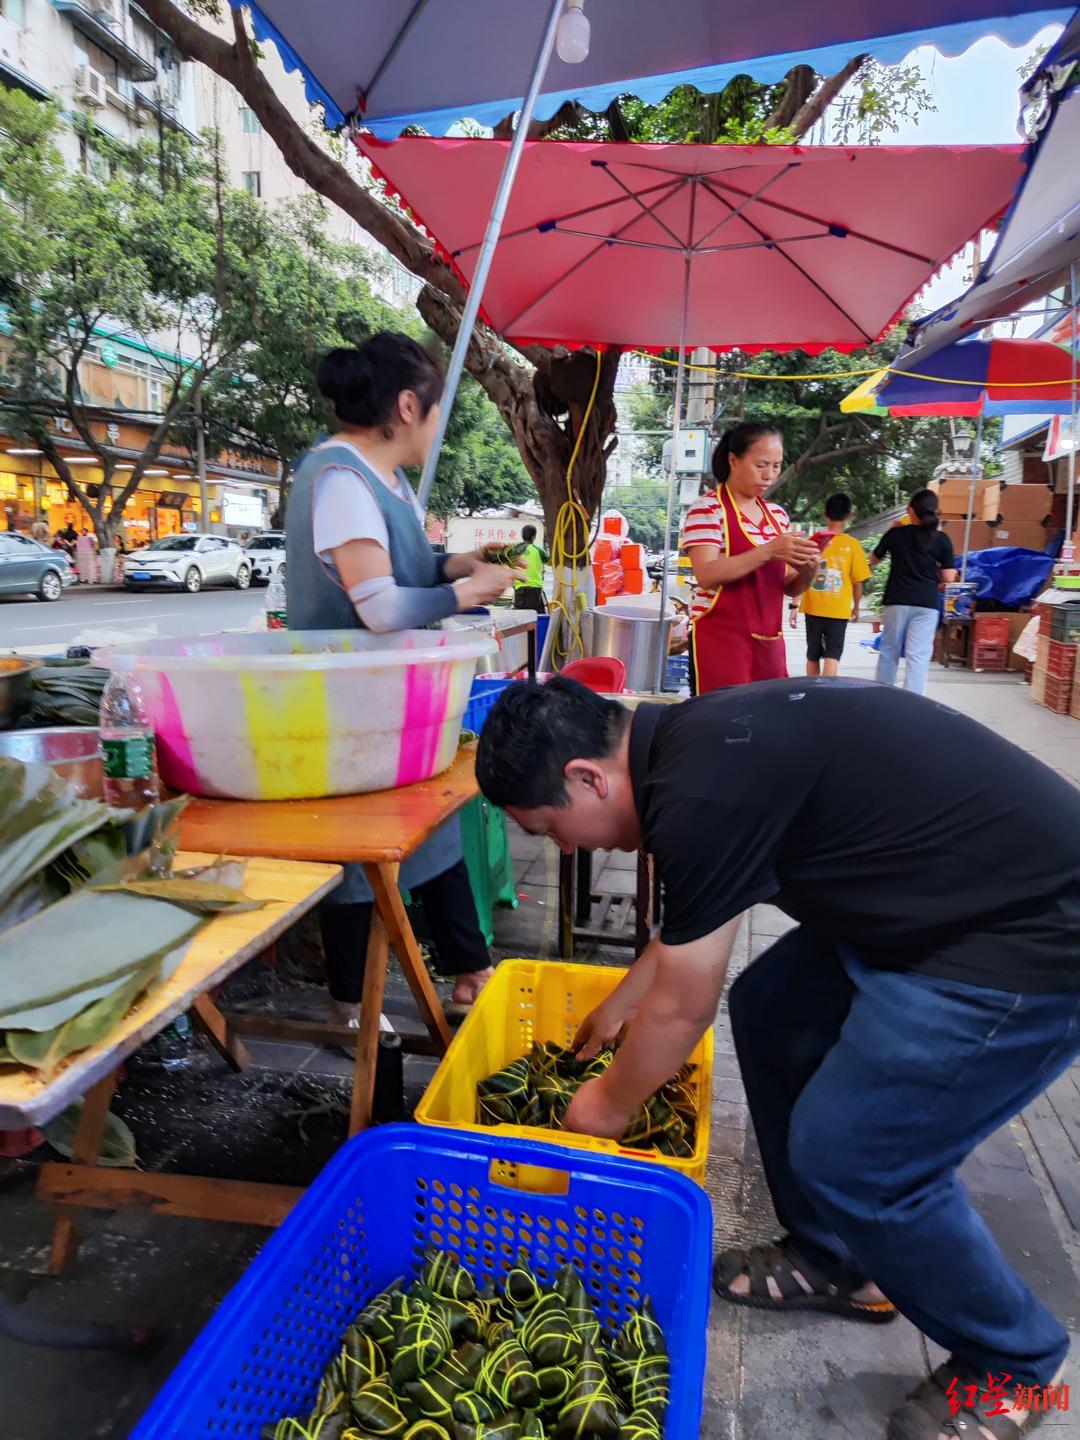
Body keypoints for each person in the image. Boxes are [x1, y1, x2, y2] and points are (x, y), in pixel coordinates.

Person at [476, 676, 1080, 1440]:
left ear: (587, 778)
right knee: (771, 1011)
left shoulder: (699, 794)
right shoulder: (689, 749)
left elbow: (684, 1007)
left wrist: (600, 1109)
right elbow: (696, 920)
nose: (563, 847)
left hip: (1026, 934)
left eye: (550, 829)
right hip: (934, 902)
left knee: (858, 1158)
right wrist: (626, 998)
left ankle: (1013, 1356)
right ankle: (836, 1258)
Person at [286, 333, 513, 1027]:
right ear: (409, 406)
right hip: (346, 704)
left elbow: (407, 568)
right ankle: (349, 1006)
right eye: (439, 410)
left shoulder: (384, 484)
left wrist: (458, 564)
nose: (438, 424)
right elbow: (381, 606)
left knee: (436, 823)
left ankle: (468, 967)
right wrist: (469, 597)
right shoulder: (339, 479)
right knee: (357, 854)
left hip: (398, 701)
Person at [681, 422, 819, 692]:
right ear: (733, 460)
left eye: (776, 466)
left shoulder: (777, 515)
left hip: (769, 643)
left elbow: (789, 586)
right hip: (720, 641)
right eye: (761, 465)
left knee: (769, 725)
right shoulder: (708, 510)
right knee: (722, 724)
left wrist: (808, 570)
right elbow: (706, 575)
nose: (769, 475)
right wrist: (768, 551)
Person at [873, 488, 957, 696]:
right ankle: (913, 701)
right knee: (918, 655)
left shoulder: (896, 534)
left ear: (910, 510)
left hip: (897, 599)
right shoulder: (942, 539)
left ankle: (883, 695)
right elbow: (948, 577)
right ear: (936, 512)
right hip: (926, 603)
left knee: (889, 649)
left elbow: (873, 560)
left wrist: (890, 532)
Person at [800, 492, 871, 677]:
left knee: (813, 655)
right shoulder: (853, 546)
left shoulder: (813, 542)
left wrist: (794, 603)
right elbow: (858, 582)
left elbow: (801, 574)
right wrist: (856, 608)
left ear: (825, 514)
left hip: (813, 607)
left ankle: (812, 694)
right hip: (838, 610)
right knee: (832, 655)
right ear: (849, 515)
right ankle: (827, 696)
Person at [510, 524, 549, 612]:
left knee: (521, 620)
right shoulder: (539, 550)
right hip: (534, 591)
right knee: (536, 618)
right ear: (533, 536)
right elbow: (549, 561)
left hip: (519, 591)